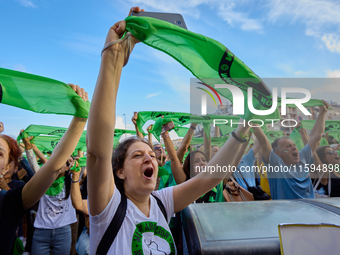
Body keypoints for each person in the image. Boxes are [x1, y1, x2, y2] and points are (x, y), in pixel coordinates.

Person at [86, 6, 251, 254]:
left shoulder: (161, 203)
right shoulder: (108, 208)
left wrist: (245, 126)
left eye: (151, 154)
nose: (150, 157)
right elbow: (98, 151)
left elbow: (212, 177)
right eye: (137, 155)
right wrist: (113, 58)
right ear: (119, 172)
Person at [0, 84, 88, 255]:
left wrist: (81, 116)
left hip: (63, 230)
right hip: (42, 231)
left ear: (8, 167)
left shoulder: (7, 204)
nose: (64, 164)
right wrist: (29, 147)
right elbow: (42, 163)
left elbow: (53, 165)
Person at [252, 101, 329, 199]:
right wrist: (252, 114)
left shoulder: (302, 158)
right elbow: (262, 139)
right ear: (278, 153)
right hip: (285, 213)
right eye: (288, 146)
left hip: (309, 211)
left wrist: (323, 112)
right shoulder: (275, 164)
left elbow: (316, 135)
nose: (294, 147)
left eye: (294, 145)